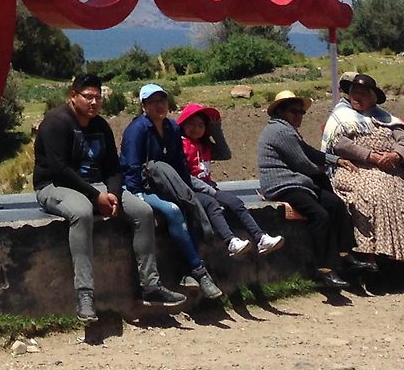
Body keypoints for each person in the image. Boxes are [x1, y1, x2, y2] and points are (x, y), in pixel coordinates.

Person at [33, 74, 187, 322]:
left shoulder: (100, 126)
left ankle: (151, 285)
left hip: (97, 187)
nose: (94, 102)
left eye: (98, 97)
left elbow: (113, 168)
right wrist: (96, 197)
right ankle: (85, 294)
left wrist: (113, 194)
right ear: (73, 96)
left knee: (143, 211)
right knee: (81, 213)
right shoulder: (56, 123)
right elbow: (60, 169)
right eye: (88, 97)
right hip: (54, 186)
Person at [323, 73, 404, 278]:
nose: (357, 96)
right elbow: (339, 144)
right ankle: (370, 257)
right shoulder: (342, 117)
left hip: (391, 168)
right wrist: (371, 156)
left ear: (373, 97)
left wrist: (395, 155)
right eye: (354, 92)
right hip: (357, 168)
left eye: (363, 93)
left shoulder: (387, 119)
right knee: (371, 194)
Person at [120, 84, 225, 300]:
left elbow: (179, 163)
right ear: (143, 106)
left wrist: (187, 190)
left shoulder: (172, 128)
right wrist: (138, 196)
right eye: (152, 102)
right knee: (174, 211)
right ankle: (199, 271)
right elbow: (131, 166)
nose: (159, 106)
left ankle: (189, 272)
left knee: (190, 205)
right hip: (141, 187)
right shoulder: (137, 130)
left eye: (162, 100)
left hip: (166, 184)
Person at [257, 89, 369, 290]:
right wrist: (321, 169)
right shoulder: (280, 131)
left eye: (301, 112)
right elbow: (302, 162)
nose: (299, 116)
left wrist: (336, 160)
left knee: (335, 204)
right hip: (282, 184)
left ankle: (344, 254)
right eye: (294, 111)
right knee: (319, 215)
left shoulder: (288, 130)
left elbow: (308, 151)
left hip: (297, 182)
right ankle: (325, 268)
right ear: (281, 112)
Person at [178, 102, 286, 258]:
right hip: (190, 189)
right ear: (183, 124)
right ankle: (231, 241)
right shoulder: (180, 145)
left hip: (208, 188)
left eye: (201, 125)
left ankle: (260, 237)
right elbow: (184, 175)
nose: (196, 128)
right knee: (212, 205)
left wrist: (216, 131)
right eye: (191, 124)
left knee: (236, 202)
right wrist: (210, 190)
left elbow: (225, 154)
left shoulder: (204, 145)